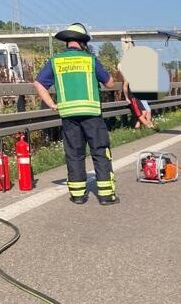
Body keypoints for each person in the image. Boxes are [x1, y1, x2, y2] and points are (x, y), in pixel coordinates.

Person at [33, 23, 119, 205]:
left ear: (67, 42)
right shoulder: (90, 60)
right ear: (83, 42)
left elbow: (39, 84)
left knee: (74, 153)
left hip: (69, 116)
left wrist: (51, 104)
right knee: (100, 152)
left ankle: (78, 195)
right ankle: (106, 195)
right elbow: (110, 84)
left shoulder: (55, 61)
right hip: (92, 115)